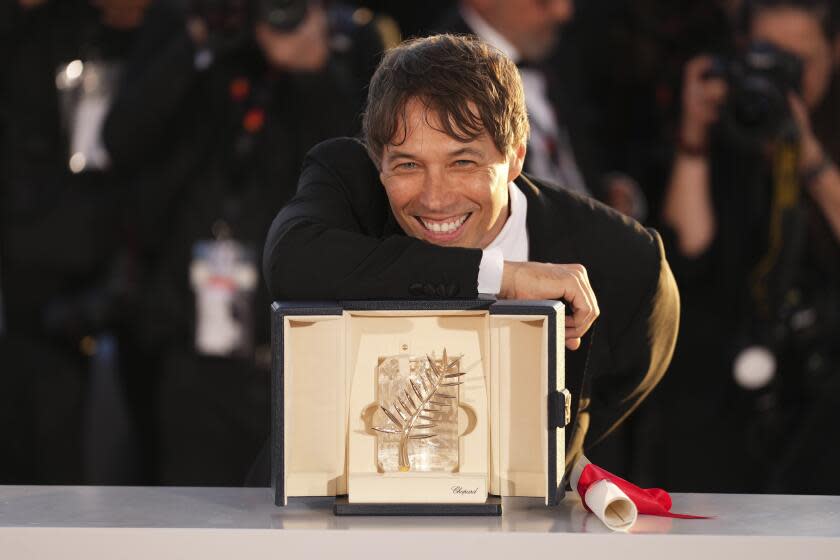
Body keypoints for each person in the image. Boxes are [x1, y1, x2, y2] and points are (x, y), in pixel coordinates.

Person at [263, 34, 680, 469]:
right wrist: (502, 277)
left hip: (531, 525)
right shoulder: (349, 184)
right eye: (408, 165)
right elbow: (290, 262)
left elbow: (610, 401)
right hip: (334, 519)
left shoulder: (627, 261)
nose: (435, 199)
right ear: (377, 160)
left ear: (516, 157)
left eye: (462, 162)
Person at [103, 0, 384, 484]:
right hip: (191, 335)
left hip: (309, 341)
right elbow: (122, 139)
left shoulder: (349, 36)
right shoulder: (191, 27)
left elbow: (370, 176)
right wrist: (197, 41)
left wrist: (315, 72)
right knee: (193, 509)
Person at [658, 0, 840, 492]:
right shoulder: (728, 122)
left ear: (835, 53)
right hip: (727, 389)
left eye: (796, 60)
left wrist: (811, 159)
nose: (780, 75)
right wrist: (694, 137)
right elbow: (686, 254)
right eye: (765, 55)